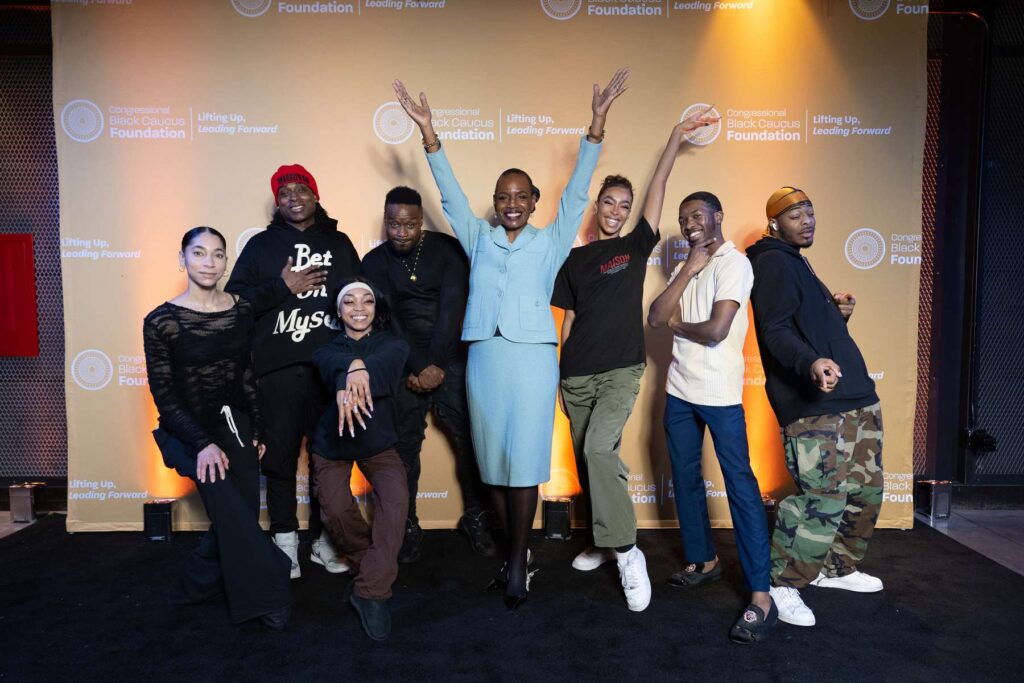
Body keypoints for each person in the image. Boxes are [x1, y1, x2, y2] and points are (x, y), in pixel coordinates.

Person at [393, 67, 629, 609]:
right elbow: (450, 196)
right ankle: (515, 554)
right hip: (484, 360)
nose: (512, 203)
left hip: (531, 362)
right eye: (504, 196)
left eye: (522, 195)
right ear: (496, 202)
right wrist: (428, 133)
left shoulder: (551, 241)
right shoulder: (478, 237)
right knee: (493, 465)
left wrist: (596, 124)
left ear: (534, 200)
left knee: (523, 464)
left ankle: (519, 564)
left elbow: (577, 192)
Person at [746, 187, 884, 628]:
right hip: (814, 404)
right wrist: (811, 362)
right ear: (774, 223)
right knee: (821, 498)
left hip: (854, 395)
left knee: (864, 491)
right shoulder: (771, 262)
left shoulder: (797, 262)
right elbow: (775, 330)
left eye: (810, 212)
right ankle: (782, 584)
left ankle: (836, 567)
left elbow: (804, 326)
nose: (807, 220)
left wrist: (836, 317)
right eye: (795, 215)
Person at [648, 172, 776, 642]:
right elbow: (655, 316)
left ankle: (761, 595)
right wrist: (687, 269)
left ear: (718, 216)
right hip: (679, 390)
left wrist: (680, 326)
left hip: (720, 395)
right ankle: (704, 561)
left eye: (697, 215)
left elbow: (717, 330)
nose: (689, 224)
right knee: (685, 480)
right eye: (683, 219)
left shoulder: (735, 264)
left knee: (740, 486)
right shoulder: (691, 264)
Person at [143, 227, 291, 630]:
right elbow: (164, 395)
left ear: (226, 262)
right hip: (189, 431)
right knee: (230, 508)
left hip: (236, 423)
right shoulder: (161, 321)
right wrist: (203, 444)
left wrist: (256, 428)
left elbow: (246, 375)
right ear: (182, 260)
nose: (209, 262)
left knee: (239, 512)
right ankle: (270, 593)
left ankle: (199, 584)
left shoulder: (241, 310)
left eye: (218, 254)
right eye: (199, 253)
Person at [226, 164, 361, 579]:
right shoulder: (261, 246)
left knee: (329, 459)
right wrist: (283, 287)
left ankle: (324, 540)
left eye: (301, 190)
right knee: (280, 460)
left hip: (329, 370)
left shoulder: (338, 243)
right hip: (277, 370)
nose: (293, 198)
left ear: (315, 195)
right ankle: (284, 541)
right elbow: (234, 304)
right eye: (284, 193)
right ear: (277, 202)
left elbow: (360, 297)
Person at [361, 186, 495, 563]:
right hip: (402, 362)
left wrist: (433, 365)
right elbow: (388, 319)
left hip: (449, 356)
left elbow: (453, 308)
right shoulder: (373, 262)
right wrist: (417, 366)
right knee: (403, 448)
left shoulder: (447, 249)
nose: (401, 232)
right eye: (394, 224)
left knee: (471, 441)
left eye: (409, 225)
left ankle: (476, 518)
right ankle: (407, 525)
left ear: (420, 221)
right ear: (385, 221)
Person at [309, 277, 410, 641]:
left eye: (366, 301)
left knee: (396, 504)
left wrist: (355, 373)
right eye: (349, 301)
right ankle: (368, 563)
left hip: (378, 443)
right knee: (336, 510)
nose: (358, 308)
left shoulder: (393, 344)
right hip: (332, 444)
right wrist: (349, 368)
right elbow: (326, 362)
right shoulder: (325, 348)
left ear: (376, 308)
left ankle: (370, 591)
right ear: (338, 311)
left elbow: (386, 364)